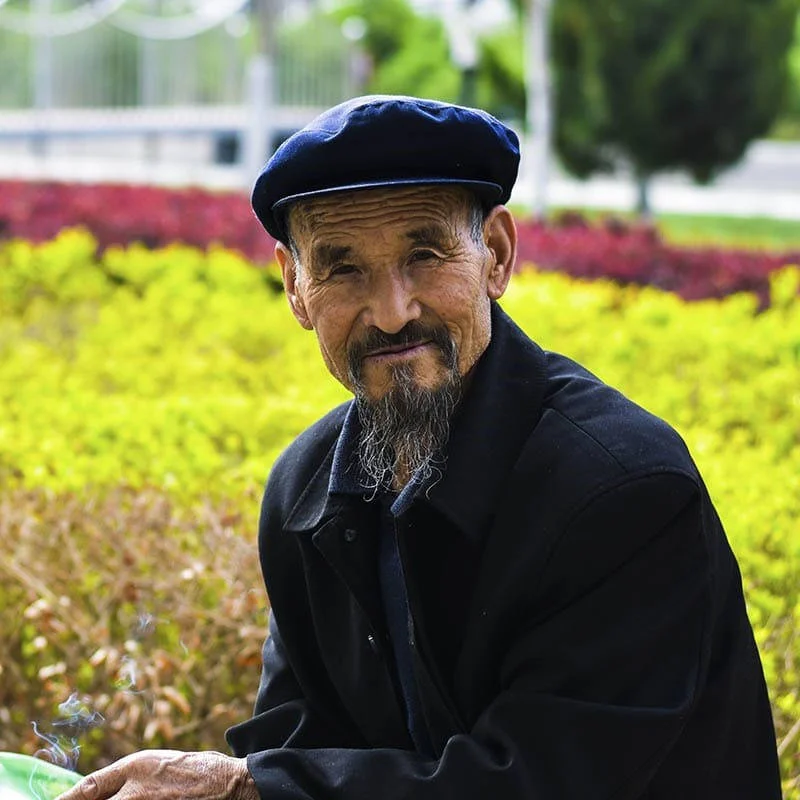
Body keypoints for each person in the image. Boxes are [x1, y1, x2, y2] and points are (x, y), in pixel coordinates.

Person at [57, 96, 781, 800]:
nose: (391, 310)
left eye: (425, 255)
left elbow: (538, 781)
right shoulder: (304, 489)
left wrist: (247, 788)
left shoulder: (623, 489)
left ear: (496, 256)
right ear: (295, 287)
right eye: (342, 269)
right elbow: (297, 747)